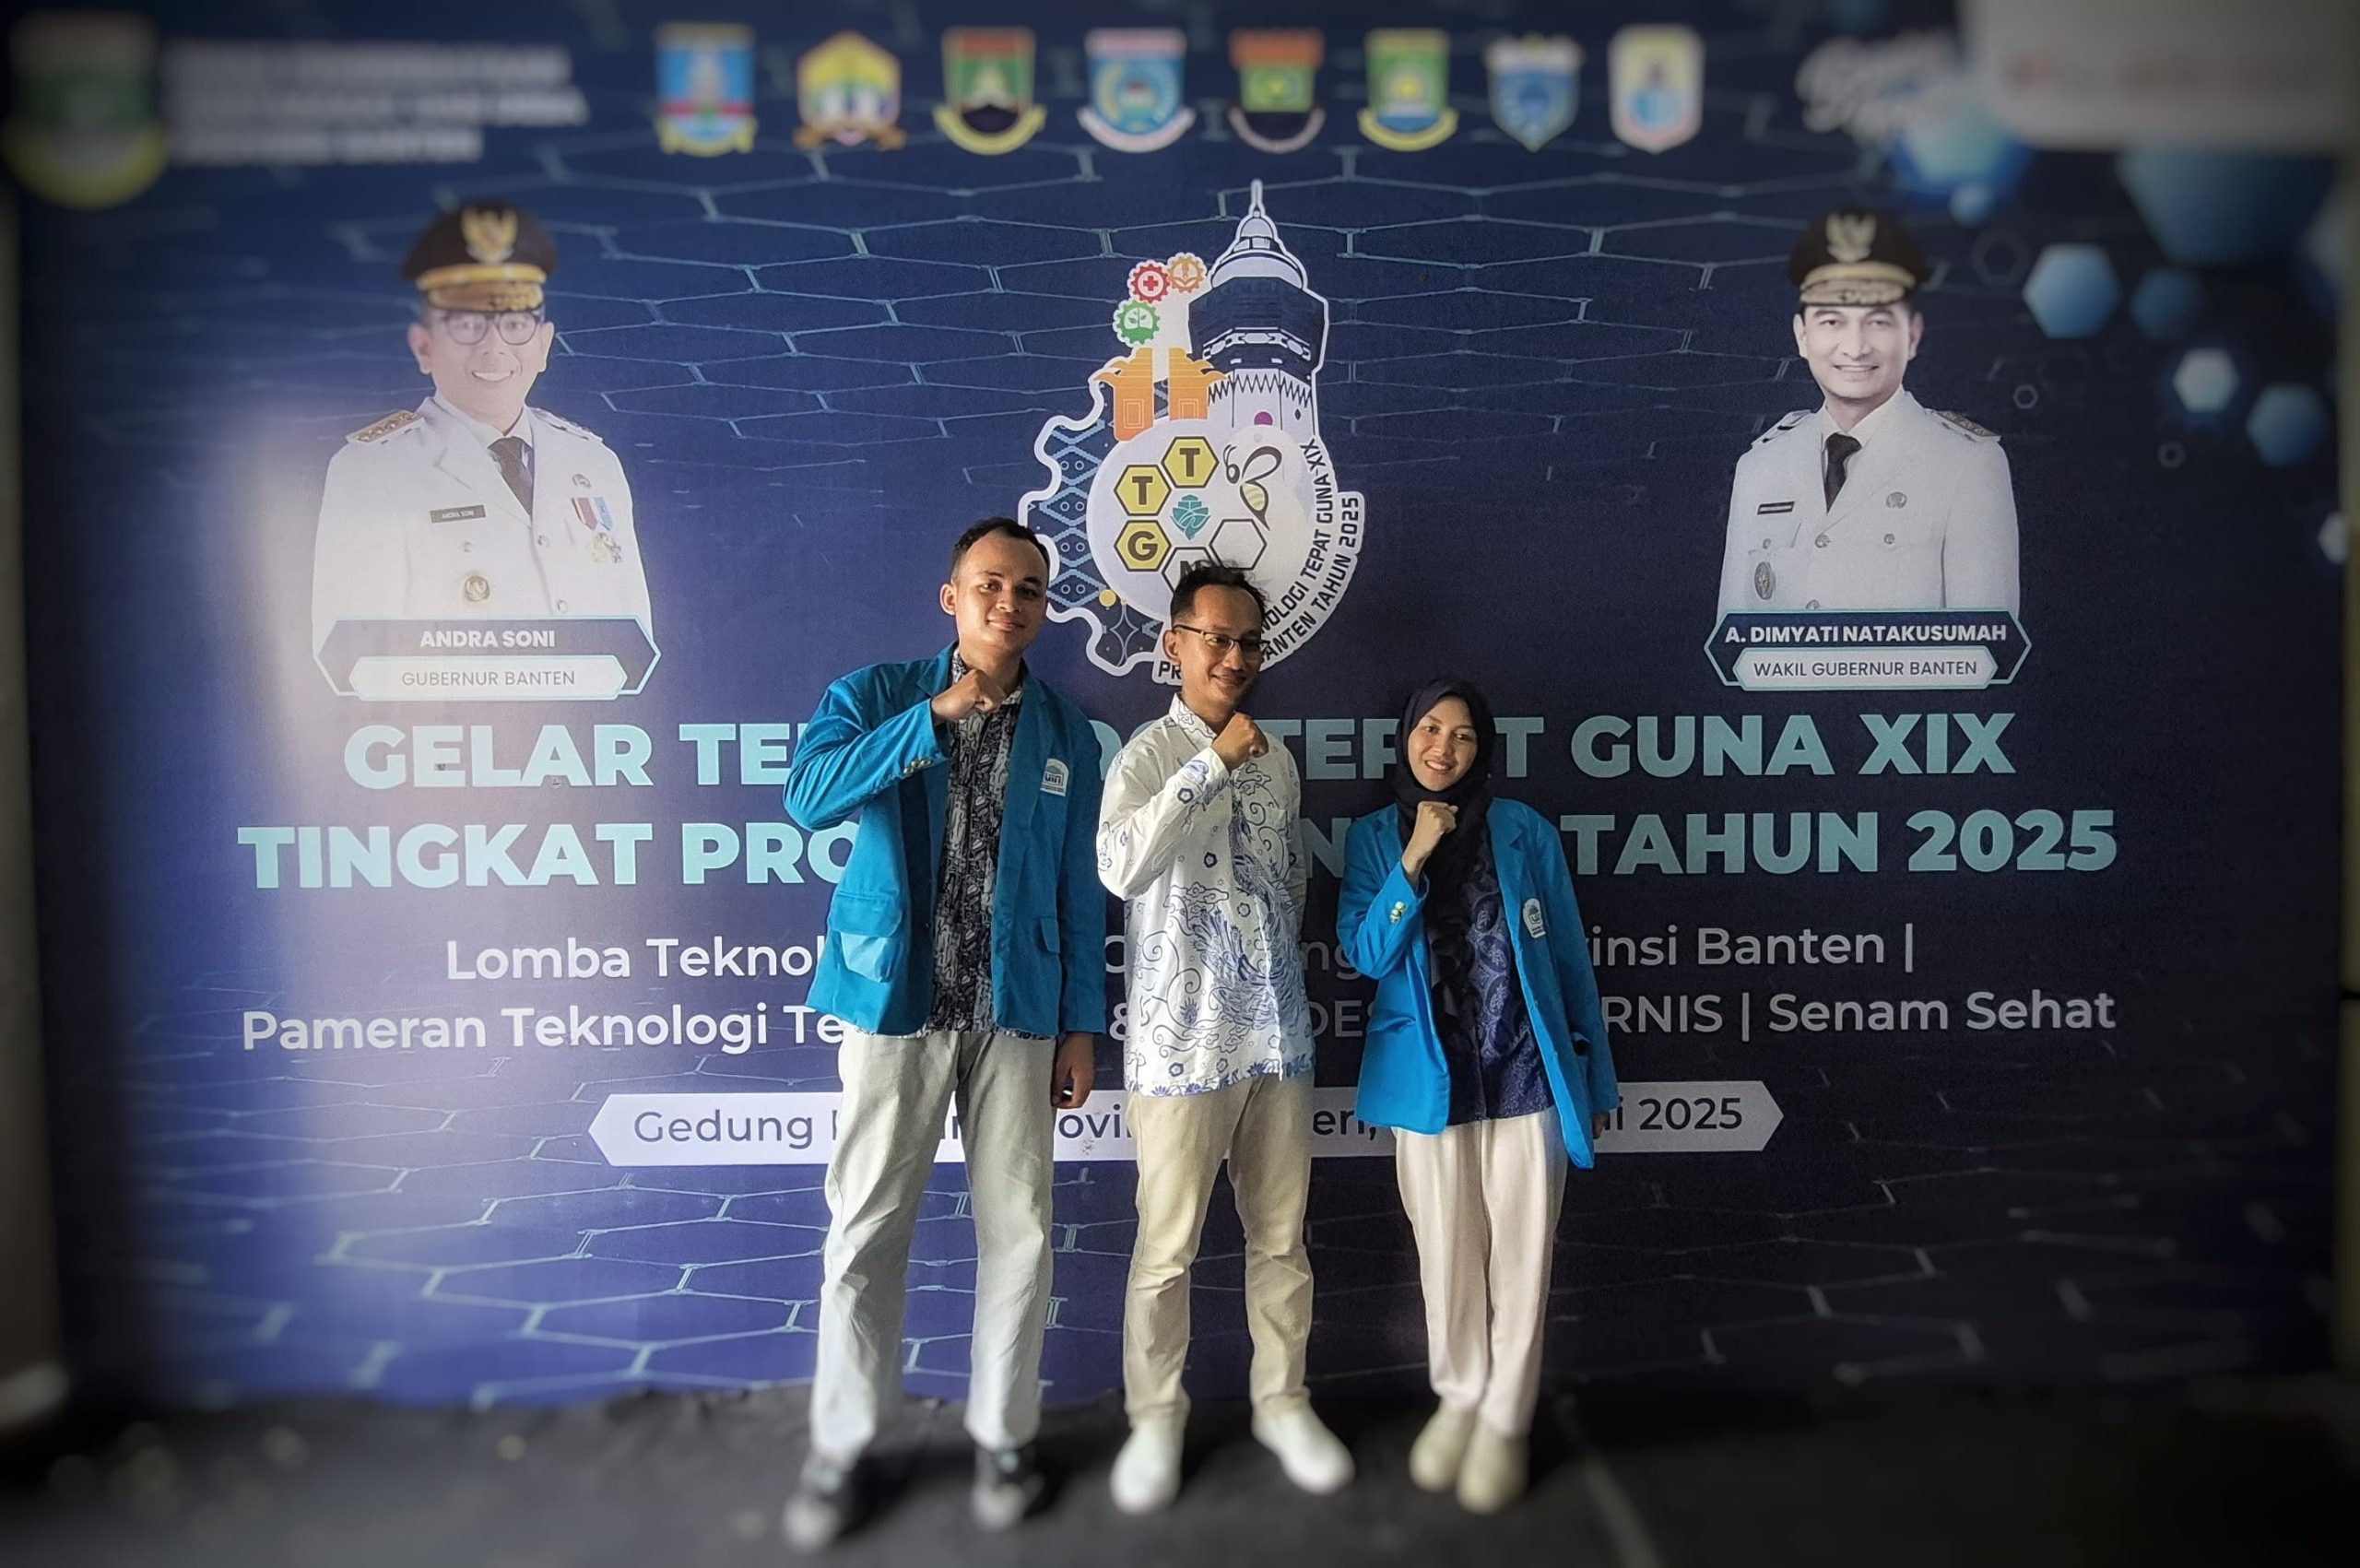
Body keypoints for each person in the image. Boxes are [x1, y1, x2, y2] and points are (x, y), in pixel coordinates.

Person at [777, 518, 1107, 1549]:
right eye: (990, 584)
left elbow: (1080, 889)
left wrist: (1082, 1024)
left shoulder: (1067, 731)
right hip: (895, 1003)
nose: (1010, 603)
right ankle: (842, 1446)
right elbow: (807, 799)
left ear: (1045, 610)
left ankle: (1004, 1436)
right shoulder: (875, 694)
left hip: (1018, 1009)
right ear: (950, 597)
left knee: (1022, 1231)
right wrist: (933, 716)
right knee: (865, 1230)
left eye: (1030, 590)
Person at [1094, 562, 1351, 1514]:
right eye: (1215, 638)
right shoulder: (1149, 754)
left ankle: (1282, 1402)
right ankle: (1155, 1419)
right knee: (1166, 1251)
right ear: (1175, 644)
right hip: (1179, 1046)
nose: (1234, 657)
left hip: (1276, 1038)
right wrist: (1212, 764)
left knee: (1281, 1241)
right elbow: (1120, 868)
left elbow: (1291, 886)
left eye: (1248, 642)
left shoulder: (1279, 761)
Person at [1336, 678, 1619, 1514]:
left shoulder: (1524, 830)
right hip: (1433, 1084)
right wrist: (1415, 855)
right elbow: (1365, 954)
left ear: (1482, 748)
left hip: (1525, 1074)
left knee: (1524, 1258)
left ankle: (1504, 1419)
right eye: (1430, 729)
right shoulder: (1372, 837)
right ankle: (1459, 1397)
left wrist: (1594, 1077)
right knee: (1447, 1256)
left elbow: (1568, 959)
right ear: (1406, 736)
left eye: (1462, 735)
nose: (1444, 748)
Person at [310, 202, 653, 652]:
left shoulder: (594, 463)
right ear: (424, 347)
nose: (494, 348)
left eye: (515, 324)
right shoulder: (372, 471)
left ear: (544, 344)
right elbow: (351, 659)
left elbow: (635, 647)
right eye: (468, 326)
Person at [1715, 206, 2022, 616]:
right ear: (1802, 336)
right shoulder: (1761, 467)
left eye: (1878, 322)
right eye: (1832, 322)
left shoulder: (1966, 463)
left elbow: (1984, 644)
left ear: (1912, 336)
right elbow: (1734, 640)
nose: (1856, 348)